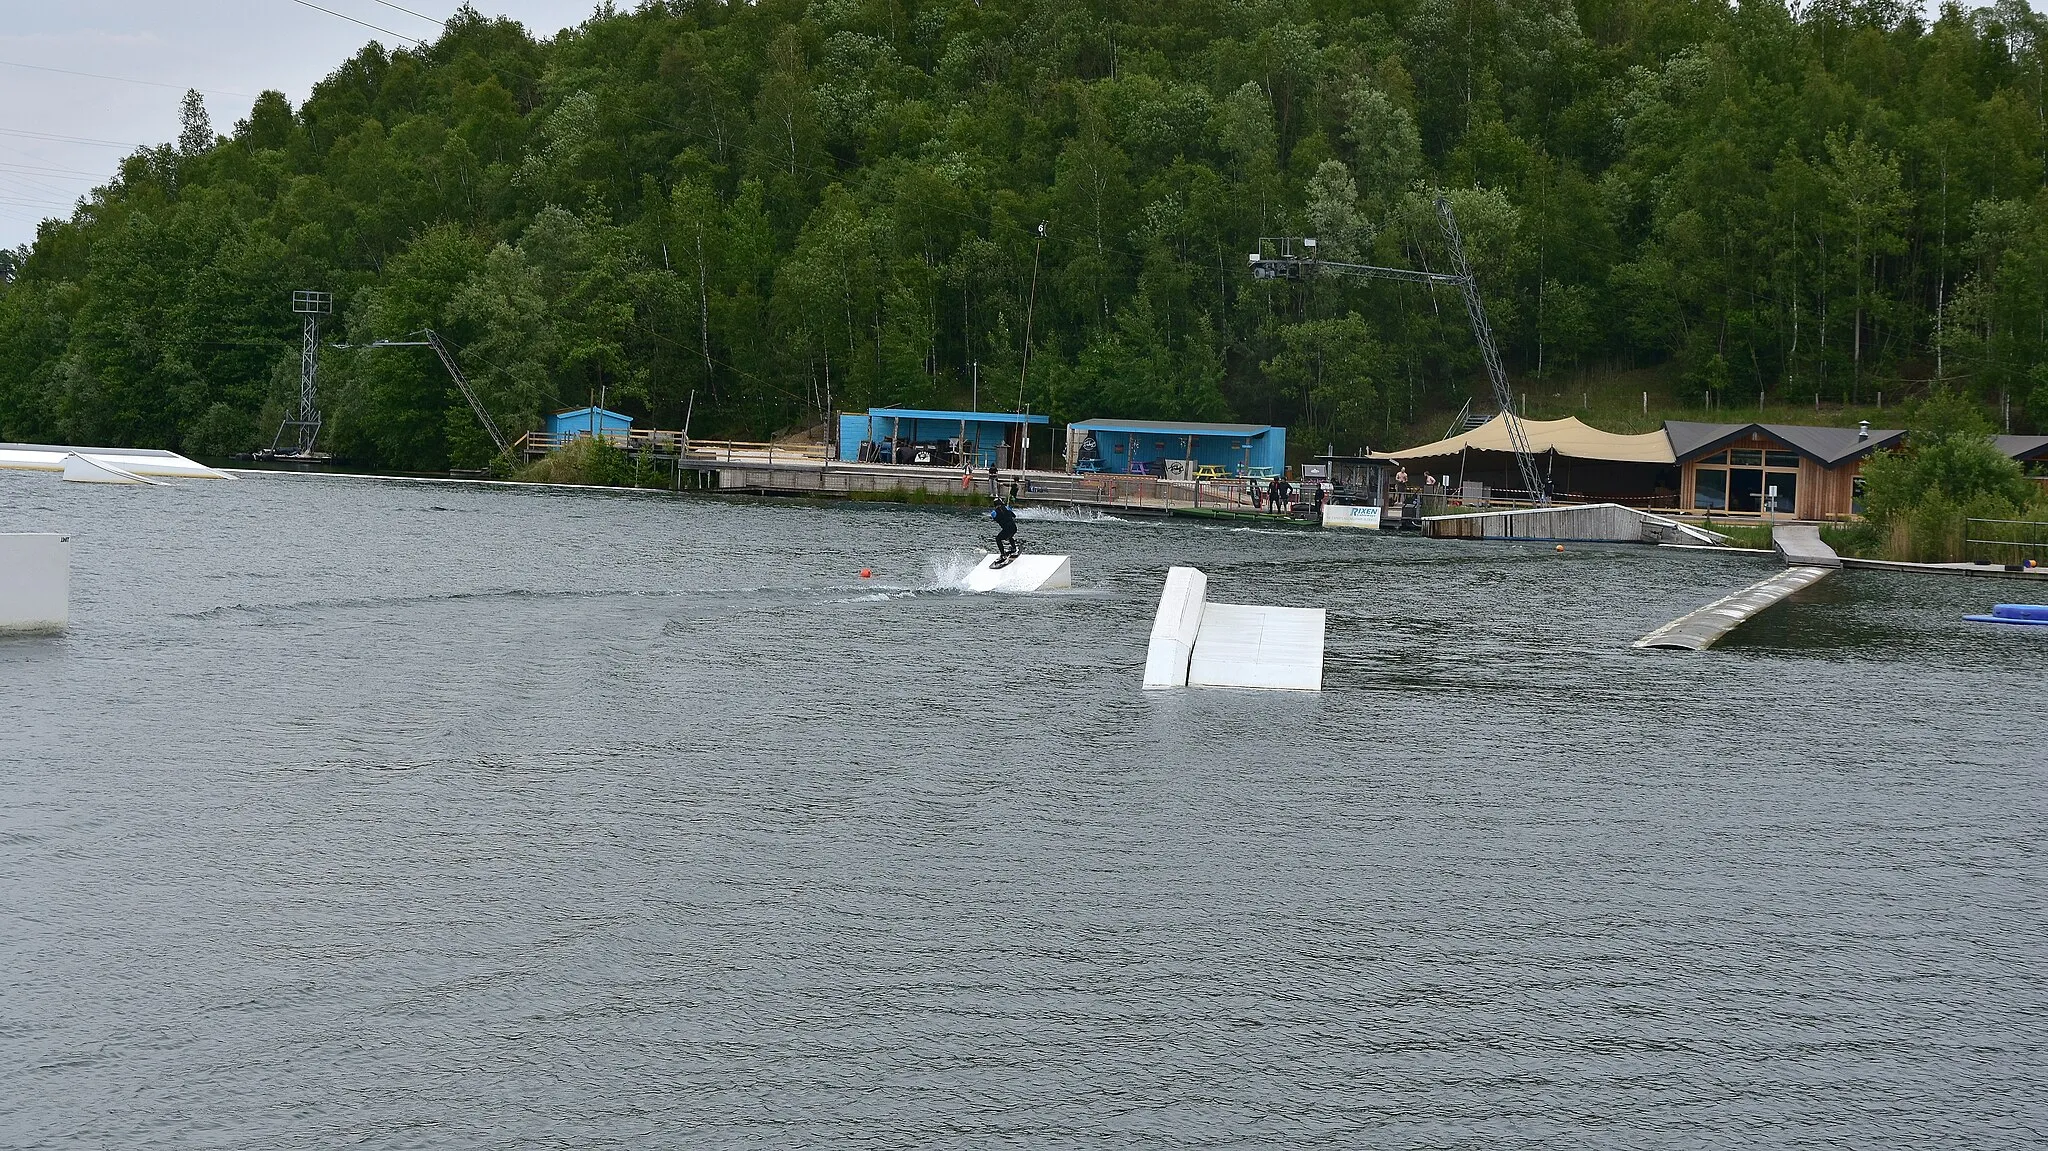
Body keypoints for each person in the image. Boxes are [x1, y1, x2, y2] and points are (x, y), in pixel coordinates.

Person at [989, 498, 1019, 564]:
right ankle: (1014, 549)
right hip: (1014, 528)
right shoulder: (1007, 508)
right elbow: (1014, 516)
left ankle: (1003, 555)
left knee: (998, 539)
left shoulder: (993, 513)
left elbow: (995, 518)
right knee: (1009, 536)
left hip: (1006, 529)